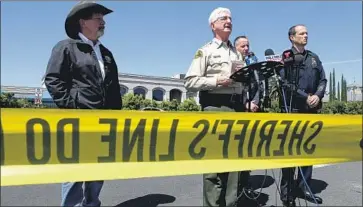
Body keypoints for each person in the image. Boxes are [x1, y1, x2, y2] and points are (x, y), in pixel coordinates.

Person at [44, 1, 122, 206]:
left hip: (104, 122)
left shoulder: (106, 53)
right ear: (83, 22)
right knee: (75, 170)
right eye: (98, 18)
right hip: (77, 122)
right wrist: (73, 108)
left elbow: (113, 88)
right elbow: (53, 80)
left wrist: (117, 116)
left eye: (102, 19)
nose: (103, 22)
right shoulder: (66, 47)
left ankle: (92, 204)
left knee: (98, 169)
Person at [184, 7, 250, 207]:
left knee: (233, 164)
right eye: (223, 18)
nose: (228, 21)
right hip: (214, 109)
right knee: (214, 165)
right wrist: (217, 81)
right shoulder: (205, 51)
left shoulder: (236, 54)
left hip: (236, 109)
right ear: (213, 25)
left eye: (230, 18)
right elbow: (190, 81)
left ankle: (231, 204)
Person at [278, 24, 326, 207]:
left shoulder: (314, 58)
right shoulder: (286, 57)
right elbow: (284, 83)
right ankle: (287, 191)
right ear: (292, 37)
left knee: (307, 149)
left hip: (311, 110)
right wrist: (305, 97)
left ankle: (304, 187)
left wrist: (317, 96)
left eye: (307, 33)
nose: (306, 36)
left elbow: (323, 79)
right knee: (290, 152)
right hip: (292, 110)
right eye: (302, 33)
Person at [234, 35, 260, 112]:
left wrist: (254, 103)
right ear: (235, 48)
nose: (246, 48)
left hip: (253, 107)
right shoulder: (232, 63)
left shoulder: (251, 63)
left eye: (247, 46)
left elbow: (258, 84)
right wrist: (245, 103)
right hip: (237, 106)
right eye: (243, 46)